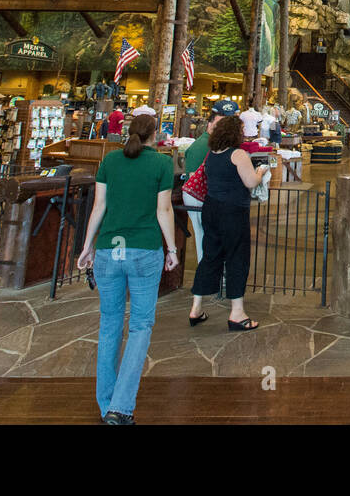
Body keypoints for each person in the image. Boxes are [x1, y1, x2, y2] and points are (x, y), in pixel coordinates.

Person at [77, 113, 177, 425]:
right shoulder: (162, 163)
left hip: (109, 248)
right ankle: (121, 407)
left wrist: (87, 246)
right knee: (141, 325)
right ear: (155, 135)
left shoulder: (110, 162)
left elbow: (99, 206)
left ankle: (106, 402)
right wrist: (172, 248)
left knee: (109, 324)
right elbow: (163, 209)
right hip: (144, 248)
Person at [190, 111, 271, 331]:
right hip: (233, 211)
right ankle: (237, 313)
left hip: (211, 208)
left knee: (210, 256)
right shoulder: (238, 155)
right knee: (237, 257)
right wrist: (261, 171)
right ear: (235, 133)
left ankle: (196, 307)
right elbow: (250, 182)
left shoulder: (213, 153)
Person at [182, 100, 232, 271]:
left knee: (210, 236)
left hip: (210, 199)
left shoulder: (216, 144)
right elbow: (194, 177)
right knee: (204, 236)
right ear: (210, 124)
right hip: (200, 198)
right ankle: (209, 274)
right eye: (220, 123)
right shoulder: (202, 145)